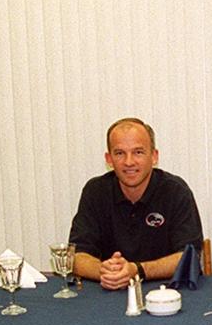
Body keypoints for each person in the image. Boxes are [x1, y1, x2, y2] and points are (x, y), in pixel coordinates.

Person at [69, 118, 204, 290]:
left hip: (165, 293)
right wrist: (105, 272)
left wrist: (137, 270)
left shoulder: (175, 191)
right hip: (109, 293)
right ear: (109, 159)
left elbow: (188, 257)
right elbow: (76, 255)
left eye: (138, 152)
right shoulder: (95, 191)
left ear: (154, 156)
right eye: (119, 153)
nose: (129, 162)